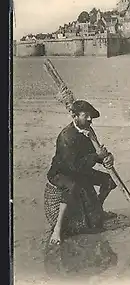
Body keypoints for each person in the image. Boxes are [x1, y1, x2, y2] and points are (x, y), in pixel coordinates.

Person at [45, 100, 117, 245]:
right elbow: (72, 166)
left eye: (91, 116)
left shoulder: (89, 131)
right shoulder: (66, 136)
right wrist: (97, 156)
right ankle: (57, 229)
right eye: (86, 116)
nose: (90, 119)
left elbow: (97, 153)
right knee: (72, 187)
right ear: (75, 116)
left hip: (80, 170)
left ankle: (98, 209)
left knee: (109, 181)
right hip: (61, 173)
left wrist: (108, 157)